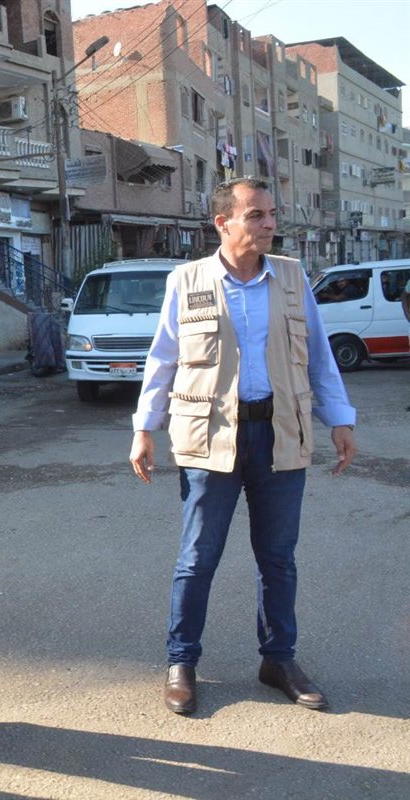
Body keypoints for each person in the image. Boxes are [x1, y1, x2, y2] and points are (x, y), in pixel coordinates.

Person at [129, 177, 357, 716]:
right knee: (197, 558)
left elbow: (319, 356)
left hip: (280, 433)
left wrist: (340, 419)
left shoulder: (292, 276)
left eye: (271, 213)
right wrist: (144, 428)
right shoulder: (187, 280)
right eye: (256, 214)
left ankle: (278, 660)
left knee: (277, 558)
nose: (269, 223)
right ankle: (181, 663)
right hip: (209, 438)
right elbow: (163, 359)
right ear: (223, 223)